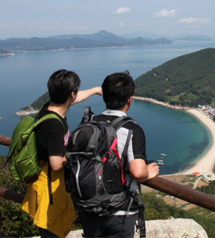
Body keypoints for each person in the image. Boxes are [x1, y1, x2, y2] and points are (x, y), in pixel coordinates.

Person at [22, 69, 102, 238]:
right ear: (71, 94)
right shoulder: (54, 125)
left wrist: (95, 90)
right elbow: (56, 163)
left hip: (44, 180)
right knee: (51, 231)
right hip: (50, 187)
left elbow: (76, 98)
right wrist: (80, 154)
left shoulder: (48, 109)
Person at [79, 70, 159, 238]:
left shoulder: (89, 123)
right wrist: (148, 172)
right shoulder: (132, 129)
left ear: (104, 96)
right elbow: (137, 172)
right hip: (120, 210)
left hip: (89, 206)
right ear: (129, 99)